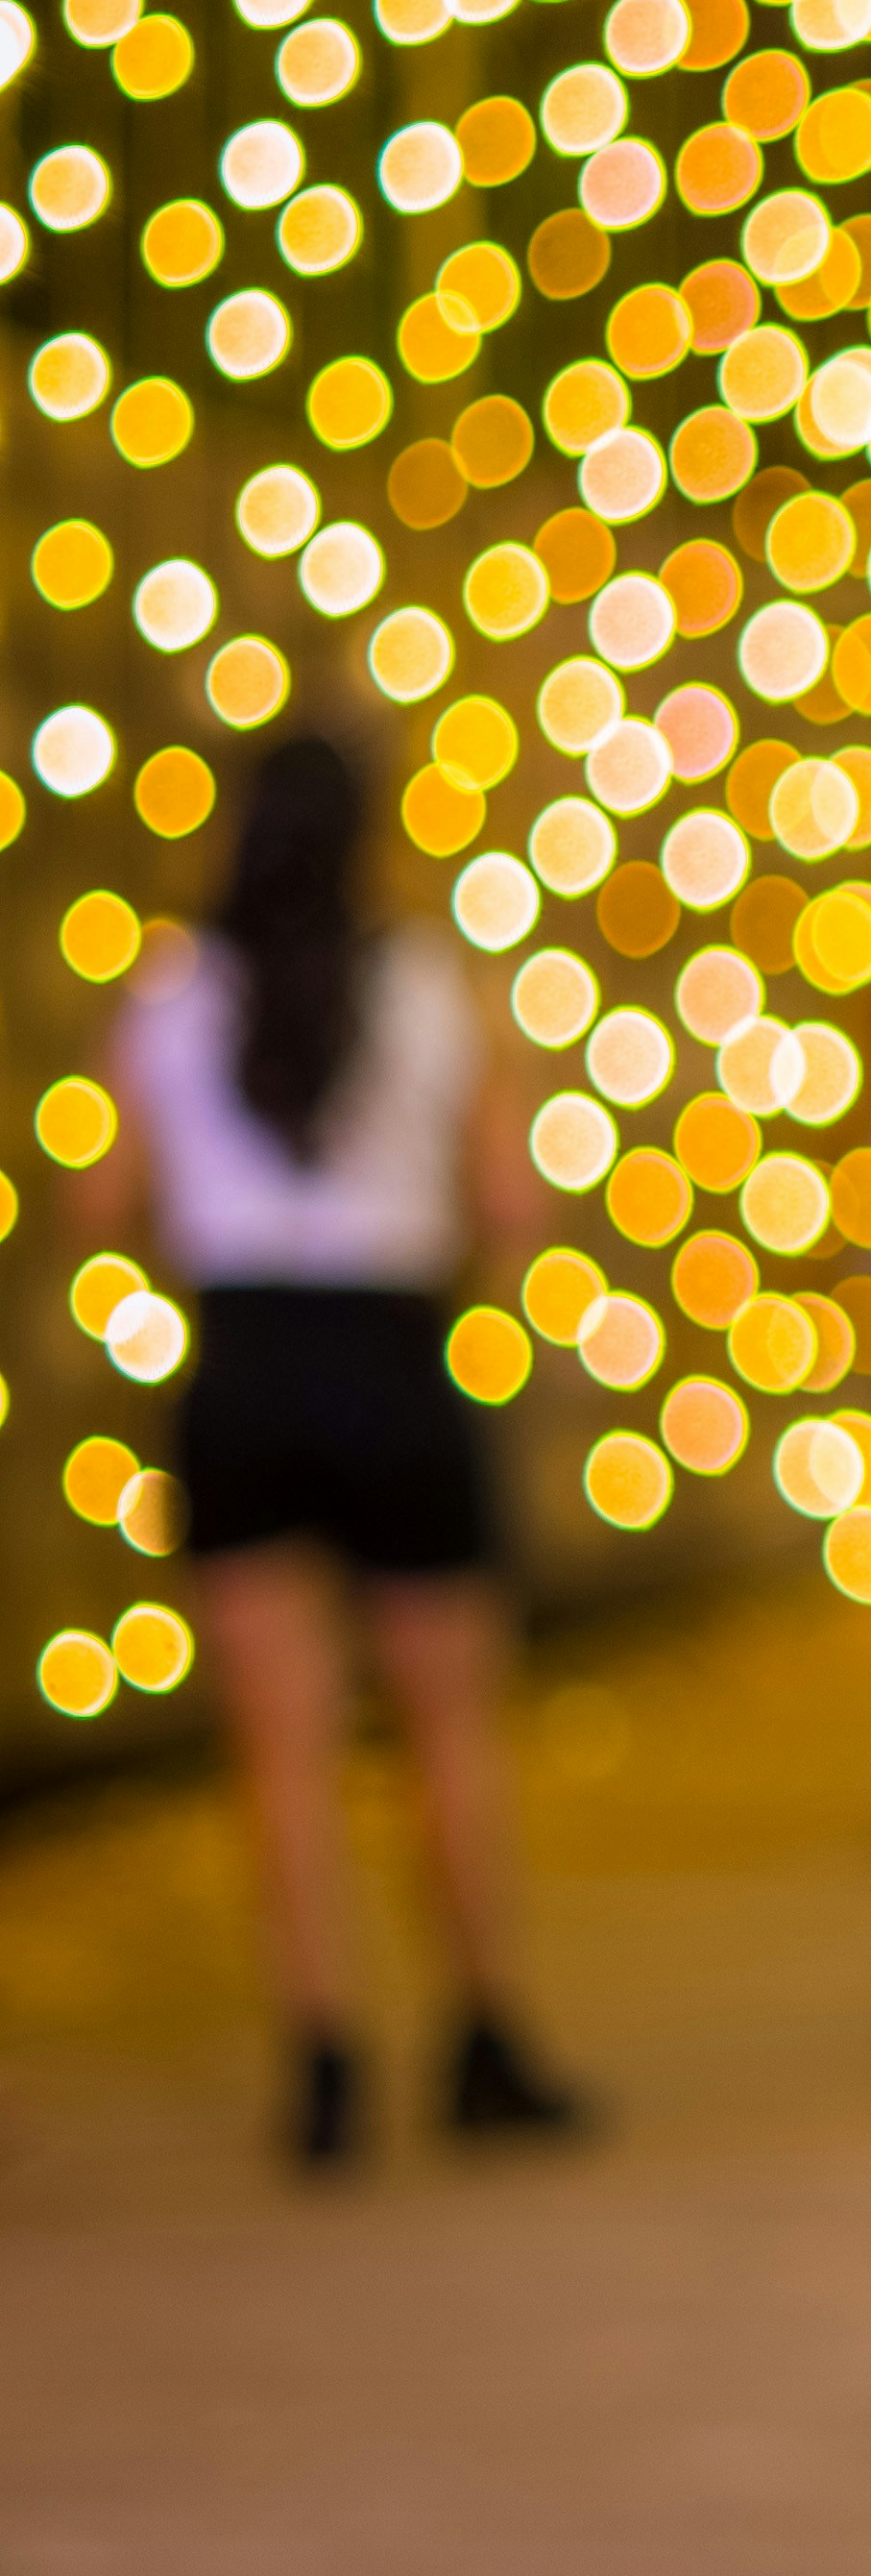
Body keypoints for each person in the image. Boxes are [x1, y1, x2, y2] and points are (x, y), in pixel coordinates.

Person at [99, 727, 593, 2174]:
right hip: (391, 1360)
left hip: (240, 1368)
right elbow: (511, 1205)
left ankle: (321, 2056)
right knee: (446, 1727)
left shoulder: (170, 993)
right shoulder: (436, 985)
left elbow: (95, 1208)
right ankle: (483, 2031)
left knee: (283, 1750)